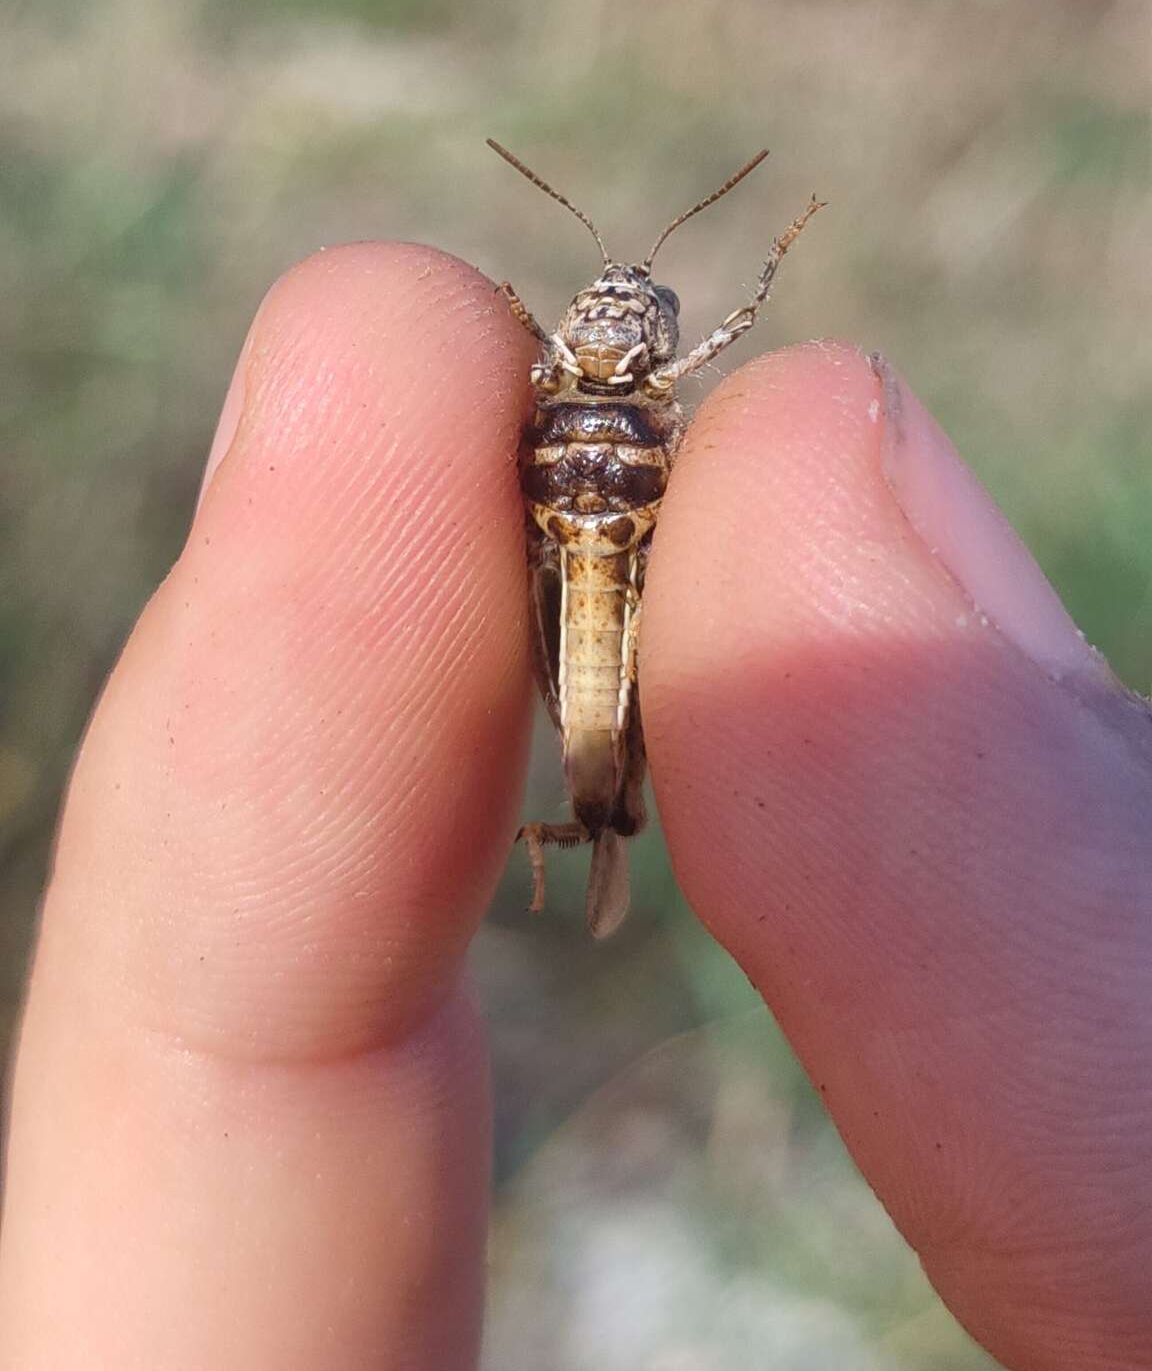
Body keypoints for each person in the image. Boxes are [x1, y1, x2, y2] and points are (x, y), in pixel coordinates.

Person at [0, 244, 1148, 1369]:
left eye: (630, 305)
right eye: (596, 301)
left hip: (626, 574)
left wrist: (773, 265)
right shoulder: (558, 374)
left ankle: (597, 811)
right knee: (561, 709)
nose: (609, 310)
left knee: (612, 727)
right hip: (562, 570)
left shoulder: (656, 390)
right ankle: (587, 809)